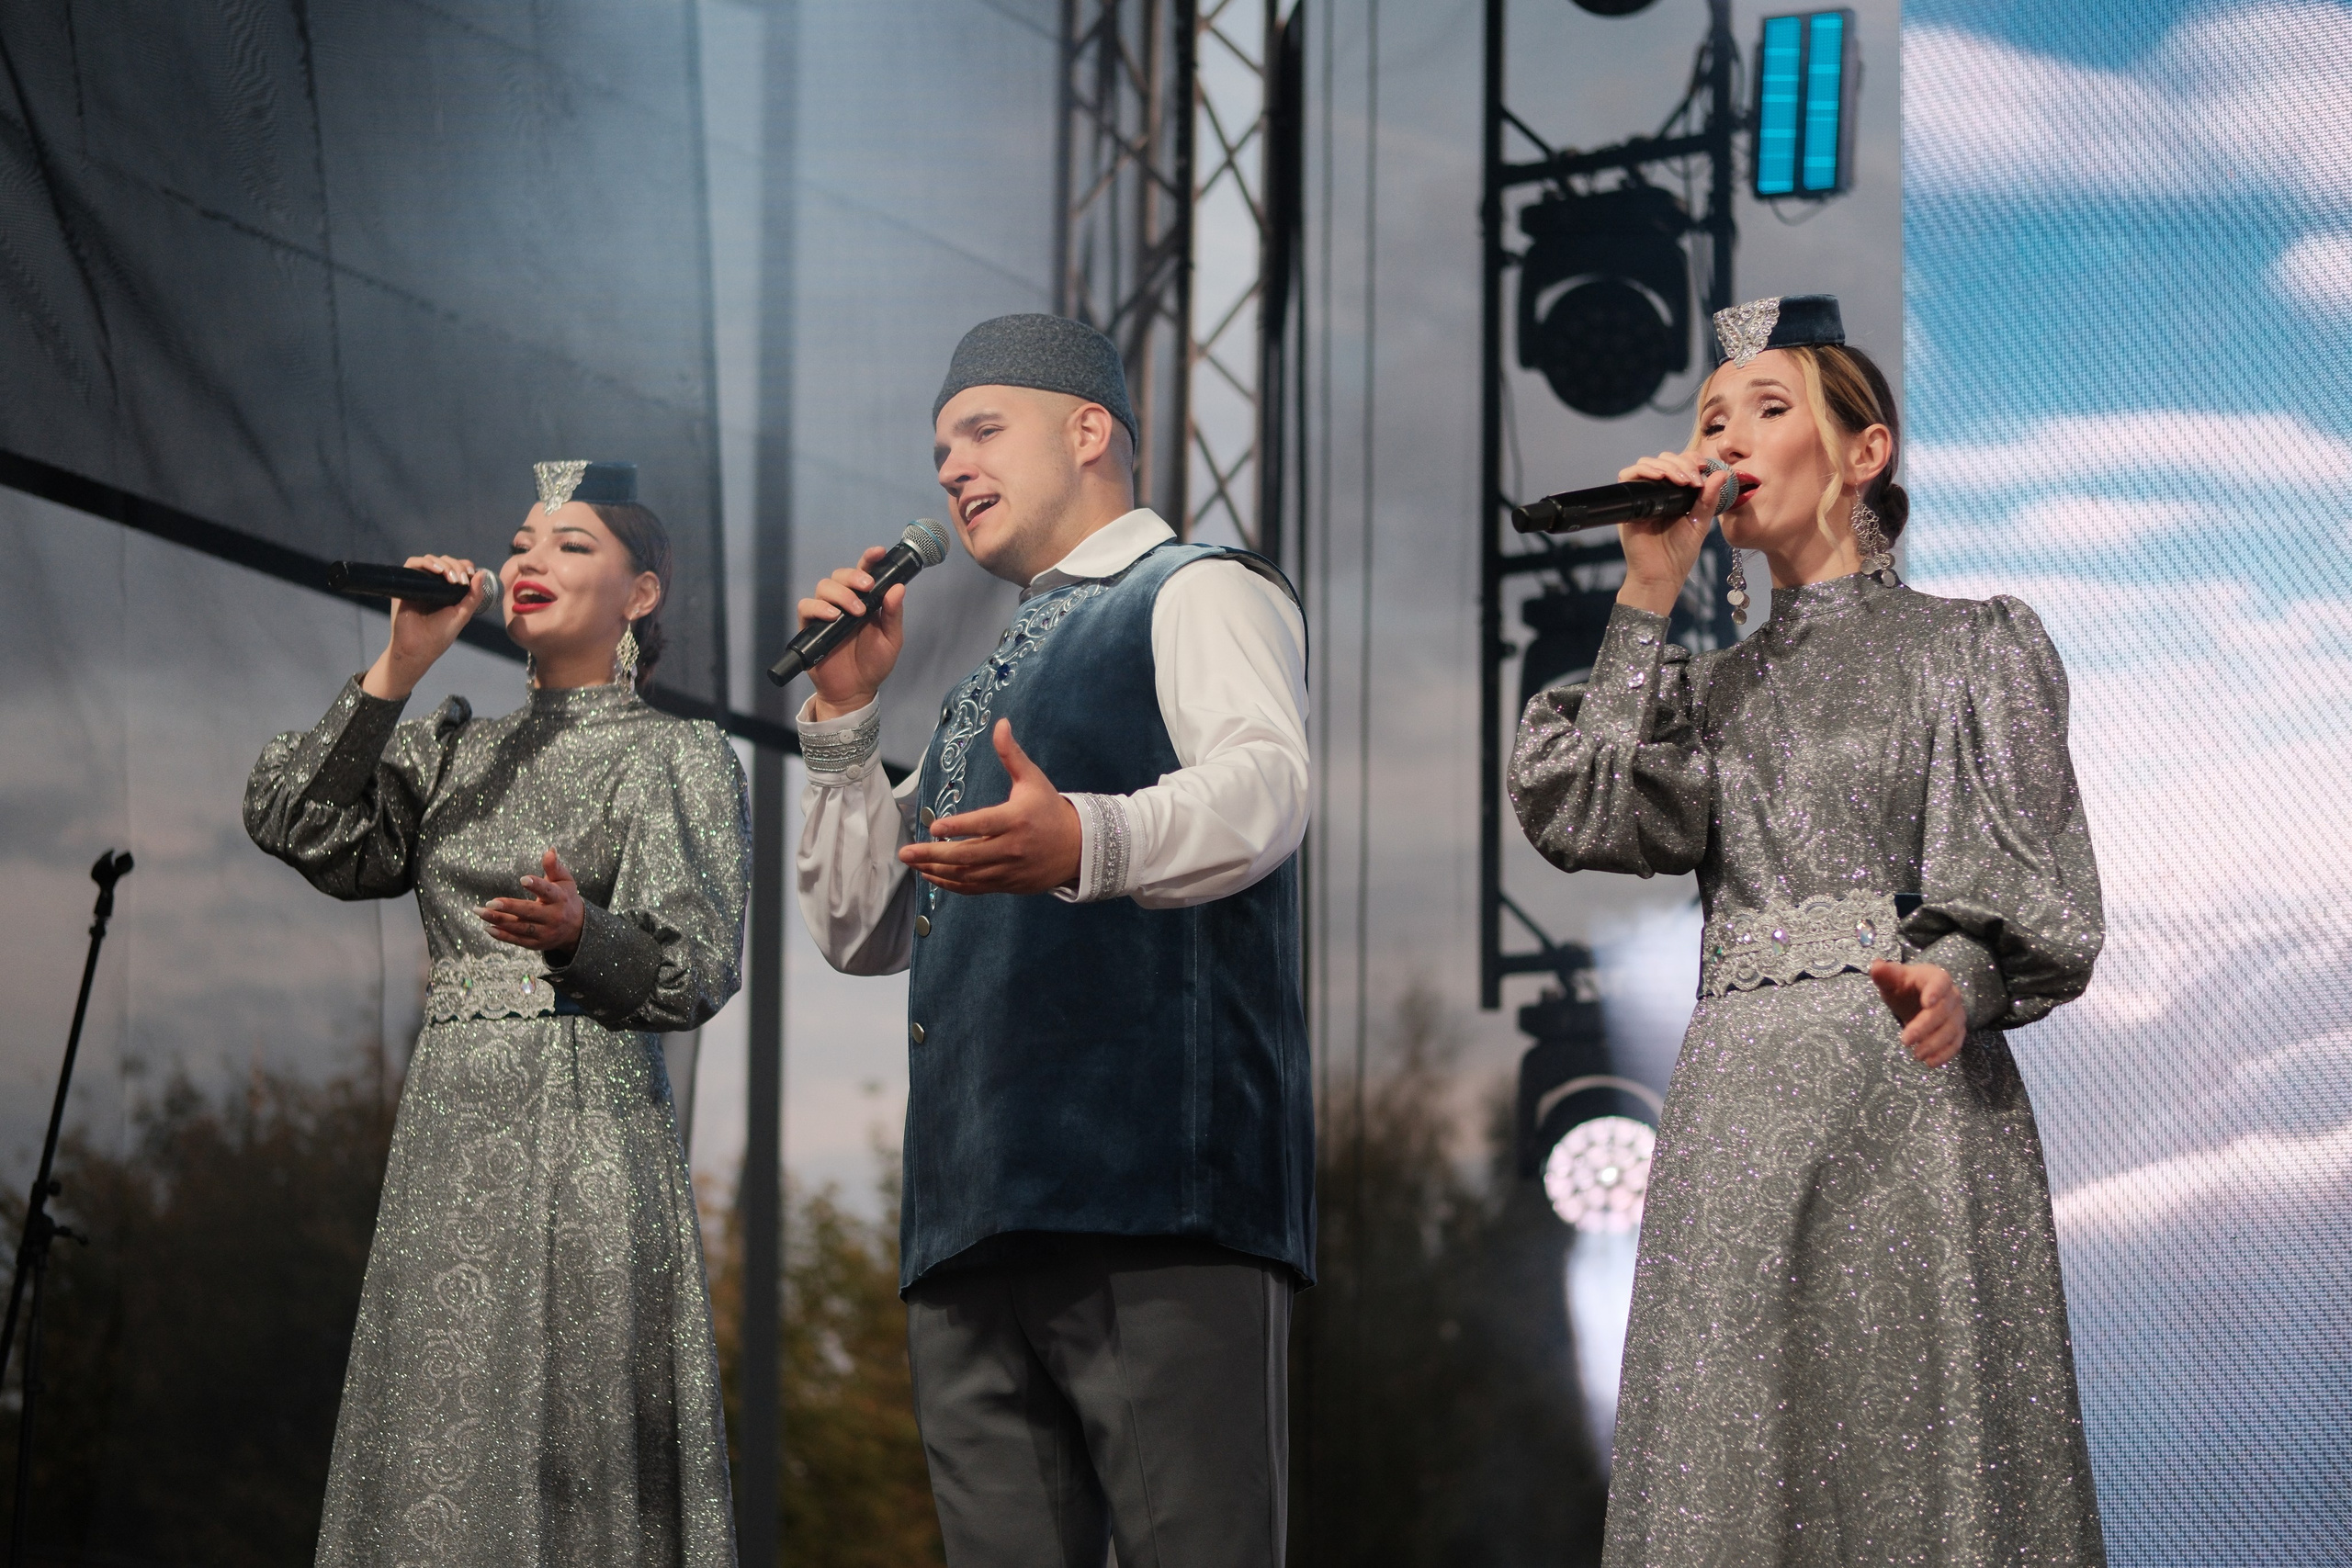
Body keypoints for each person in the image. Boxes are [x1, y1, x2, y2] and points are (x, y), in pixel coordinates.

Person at [1510, 297, 2108, 1565]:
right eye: (1709, 421)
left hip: (1909, 1099)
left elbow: (2032, 885)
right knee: (1730, 1467)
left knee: (1923, 1464)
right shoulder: (1708, 690)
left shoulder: (1970, 646)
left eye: (1767, 411)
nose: (1726, 440)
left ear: (1863, 451)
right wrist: (1646, 593)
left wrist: (1959, 977)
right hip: (1739, 1115)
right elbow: (1586, 806)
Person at [793, 314, 1312, 1568]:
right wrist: (848, 716)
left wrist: (1088, 837)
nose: (950, 468)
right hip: (970, 1221)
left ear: (1090, 431)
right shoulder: (980, 686)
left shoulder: (1196, 587)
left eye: (980, 429)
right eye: (937, 450)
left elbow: (1269, 787)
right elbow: (865, 924)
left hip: (1152, 1198)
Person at [245, 461, 748, 1567]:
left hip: (586, 1128)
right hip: (451, 1136)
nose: (528, 561)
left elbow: (696, 969)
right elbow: (294, 821)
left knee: (572, 1444)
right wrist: (400, 666)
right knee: (438, 1436)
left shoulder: (678, 754)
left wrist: (580, 935)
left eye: (571, 545)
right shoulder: (448, 752)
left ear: (642, 593)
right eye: (521, 542)